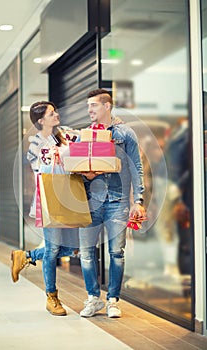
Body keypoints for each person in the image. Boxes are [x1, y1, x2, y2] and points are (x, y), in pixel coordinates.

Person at [78, 89, 146, 318]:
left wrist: (138, 199)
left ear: (107, 106)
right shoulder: (84, 135)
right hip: (91, 202)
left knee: (116, 252)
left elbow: (136, 167)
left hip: (117, 201)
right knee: (86, 253)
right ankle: (92, 298)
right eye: (88, 105)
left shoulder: (125, 134)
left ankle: (113, 300)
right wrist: (85, 175)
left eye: (94, 105)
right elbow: (74, 170)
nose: (89, 110)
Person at [11, 101, 79, 316]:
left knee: (75, 248)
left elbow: (85, 140)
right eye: (51, 113)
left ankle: (27, 256)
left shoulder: (64, 134)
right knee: (52, 250)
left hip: (69, 197)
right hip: (49, 199)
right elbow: (44, 172)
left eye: (55, 111)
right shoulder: (35, 145)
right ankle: (52, 297)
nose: (56, 114)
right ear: (41, 121)